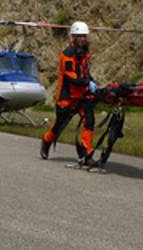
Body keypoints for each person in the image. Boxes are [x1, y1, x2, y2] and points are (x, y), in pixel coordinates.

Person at [40, 21, 100, 165]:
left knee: (89, 121)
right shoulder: (66, 55)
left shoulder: (85, 53)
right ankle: (46, 140)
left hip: (82, 95)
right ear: (73, 37)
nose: (82, 39)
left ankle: (87, 153)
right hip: (66, 97)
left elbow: (85, 72)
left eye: (84, 36)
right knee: (59, 125)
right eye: (79, 36)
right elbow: (72, 77)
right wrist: (87, 83)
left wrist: (92, 82)